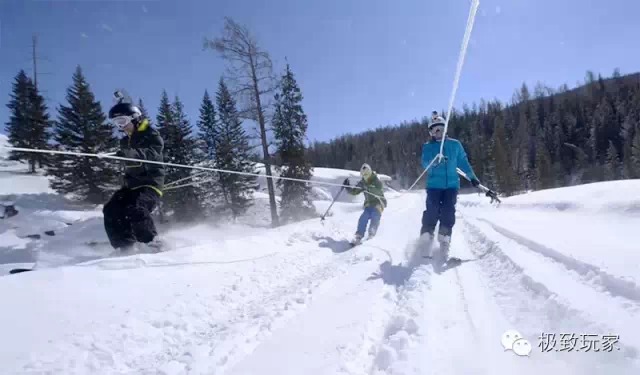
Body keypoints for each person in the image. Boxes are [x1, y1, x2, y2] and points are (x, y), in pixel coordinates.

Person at [102, 100, 165, 252]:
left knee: (136, 207)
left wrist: (129, 154)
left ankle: (151, 243)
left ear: (135, 118)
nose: (121, 126)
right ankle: (124, 246)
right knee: (111, 208)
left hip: (150, 184)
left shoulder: (150, 134)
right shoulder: (124, 141)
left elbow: (153, 153)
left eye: (122, 121)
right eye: (117, 123)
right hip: (131, 186)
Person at [420, 112, 481, 257]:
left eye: (440, 128)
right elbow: (424, 163)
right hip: (434, 185)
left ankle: (445, 237)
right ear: (431, 132)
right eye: (434, 130)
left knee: (448, 211)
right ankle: (426, 236)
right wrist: (434, 161)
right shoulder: (428, 147)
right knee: (432, 210)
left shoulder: (455, 145)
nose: (438, 132)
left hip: (451, 186)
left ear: (445, 129)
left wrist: (472, 177)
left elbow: (463, 162)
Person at [343, 163, 387, 245]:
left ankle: (371, 235)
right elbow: (355, 191)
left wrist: (368, 187)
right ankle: (359, 236)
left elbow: (378, 190)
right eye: (363, 175)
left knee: (375, 215)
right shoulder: (363, 182)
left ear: (370, 172)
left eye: (366, 174)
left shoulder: (376, 180)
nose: (365, 176)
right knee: (363, 218)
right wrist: (348, 188)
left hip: (378, 203)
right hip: (368, 204)